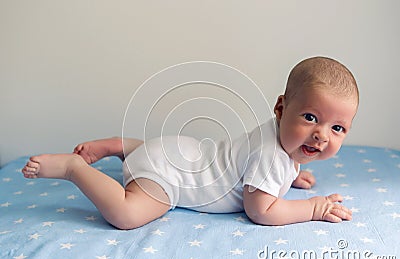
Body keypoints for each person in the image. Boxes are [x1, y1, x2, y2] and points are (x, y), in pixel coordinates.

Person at [22, 56, 358, 230]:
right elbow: (262, 210)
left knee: (175, 158)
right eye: (311, 118)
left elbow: (263, 166)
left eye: (338, 128)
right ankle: (73, 168)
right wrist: (314, 207)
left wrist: (291, 175)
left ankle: (122, 146)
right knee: (127, 213)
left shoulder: (279, 138)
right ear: (282, 109)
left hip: (176, 149)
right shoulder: (271, 156)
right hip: (168, 178)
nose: (321, 135)